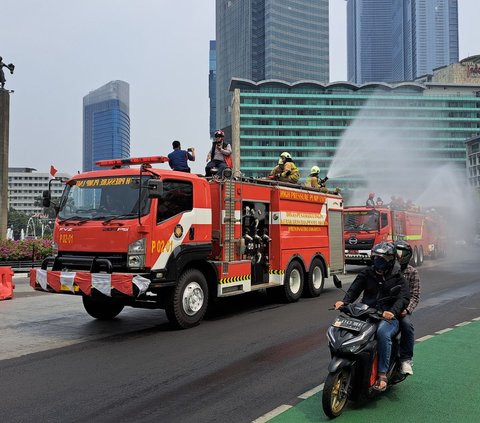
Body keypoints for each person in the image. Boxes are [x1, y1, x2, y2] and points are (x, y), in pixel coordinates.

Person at [334, 242, 410, 391]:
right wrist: (344, 302)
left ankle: (382, 374)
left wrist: (392, 311)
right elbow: (355, 288)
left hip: (386, 317)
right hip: (366, 311)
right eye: (375, 258)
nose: (377, 262)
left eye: (381, 259)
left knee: (382, 333)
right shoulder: (367, 272)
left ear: (390, 260)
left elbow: (404, 297)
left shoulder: (398, 277)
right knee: (343, 325)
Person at [394, 240, 420, 376]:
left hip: (403, 309)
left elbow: (415, 296)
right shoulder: (389, 270)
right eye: (396, 253)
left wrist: (407, 310)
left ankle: (406, 359)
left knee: (407, 326)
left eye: (401, 253)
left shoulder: (412, 272)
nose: (399, 256)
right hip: (387, 308)